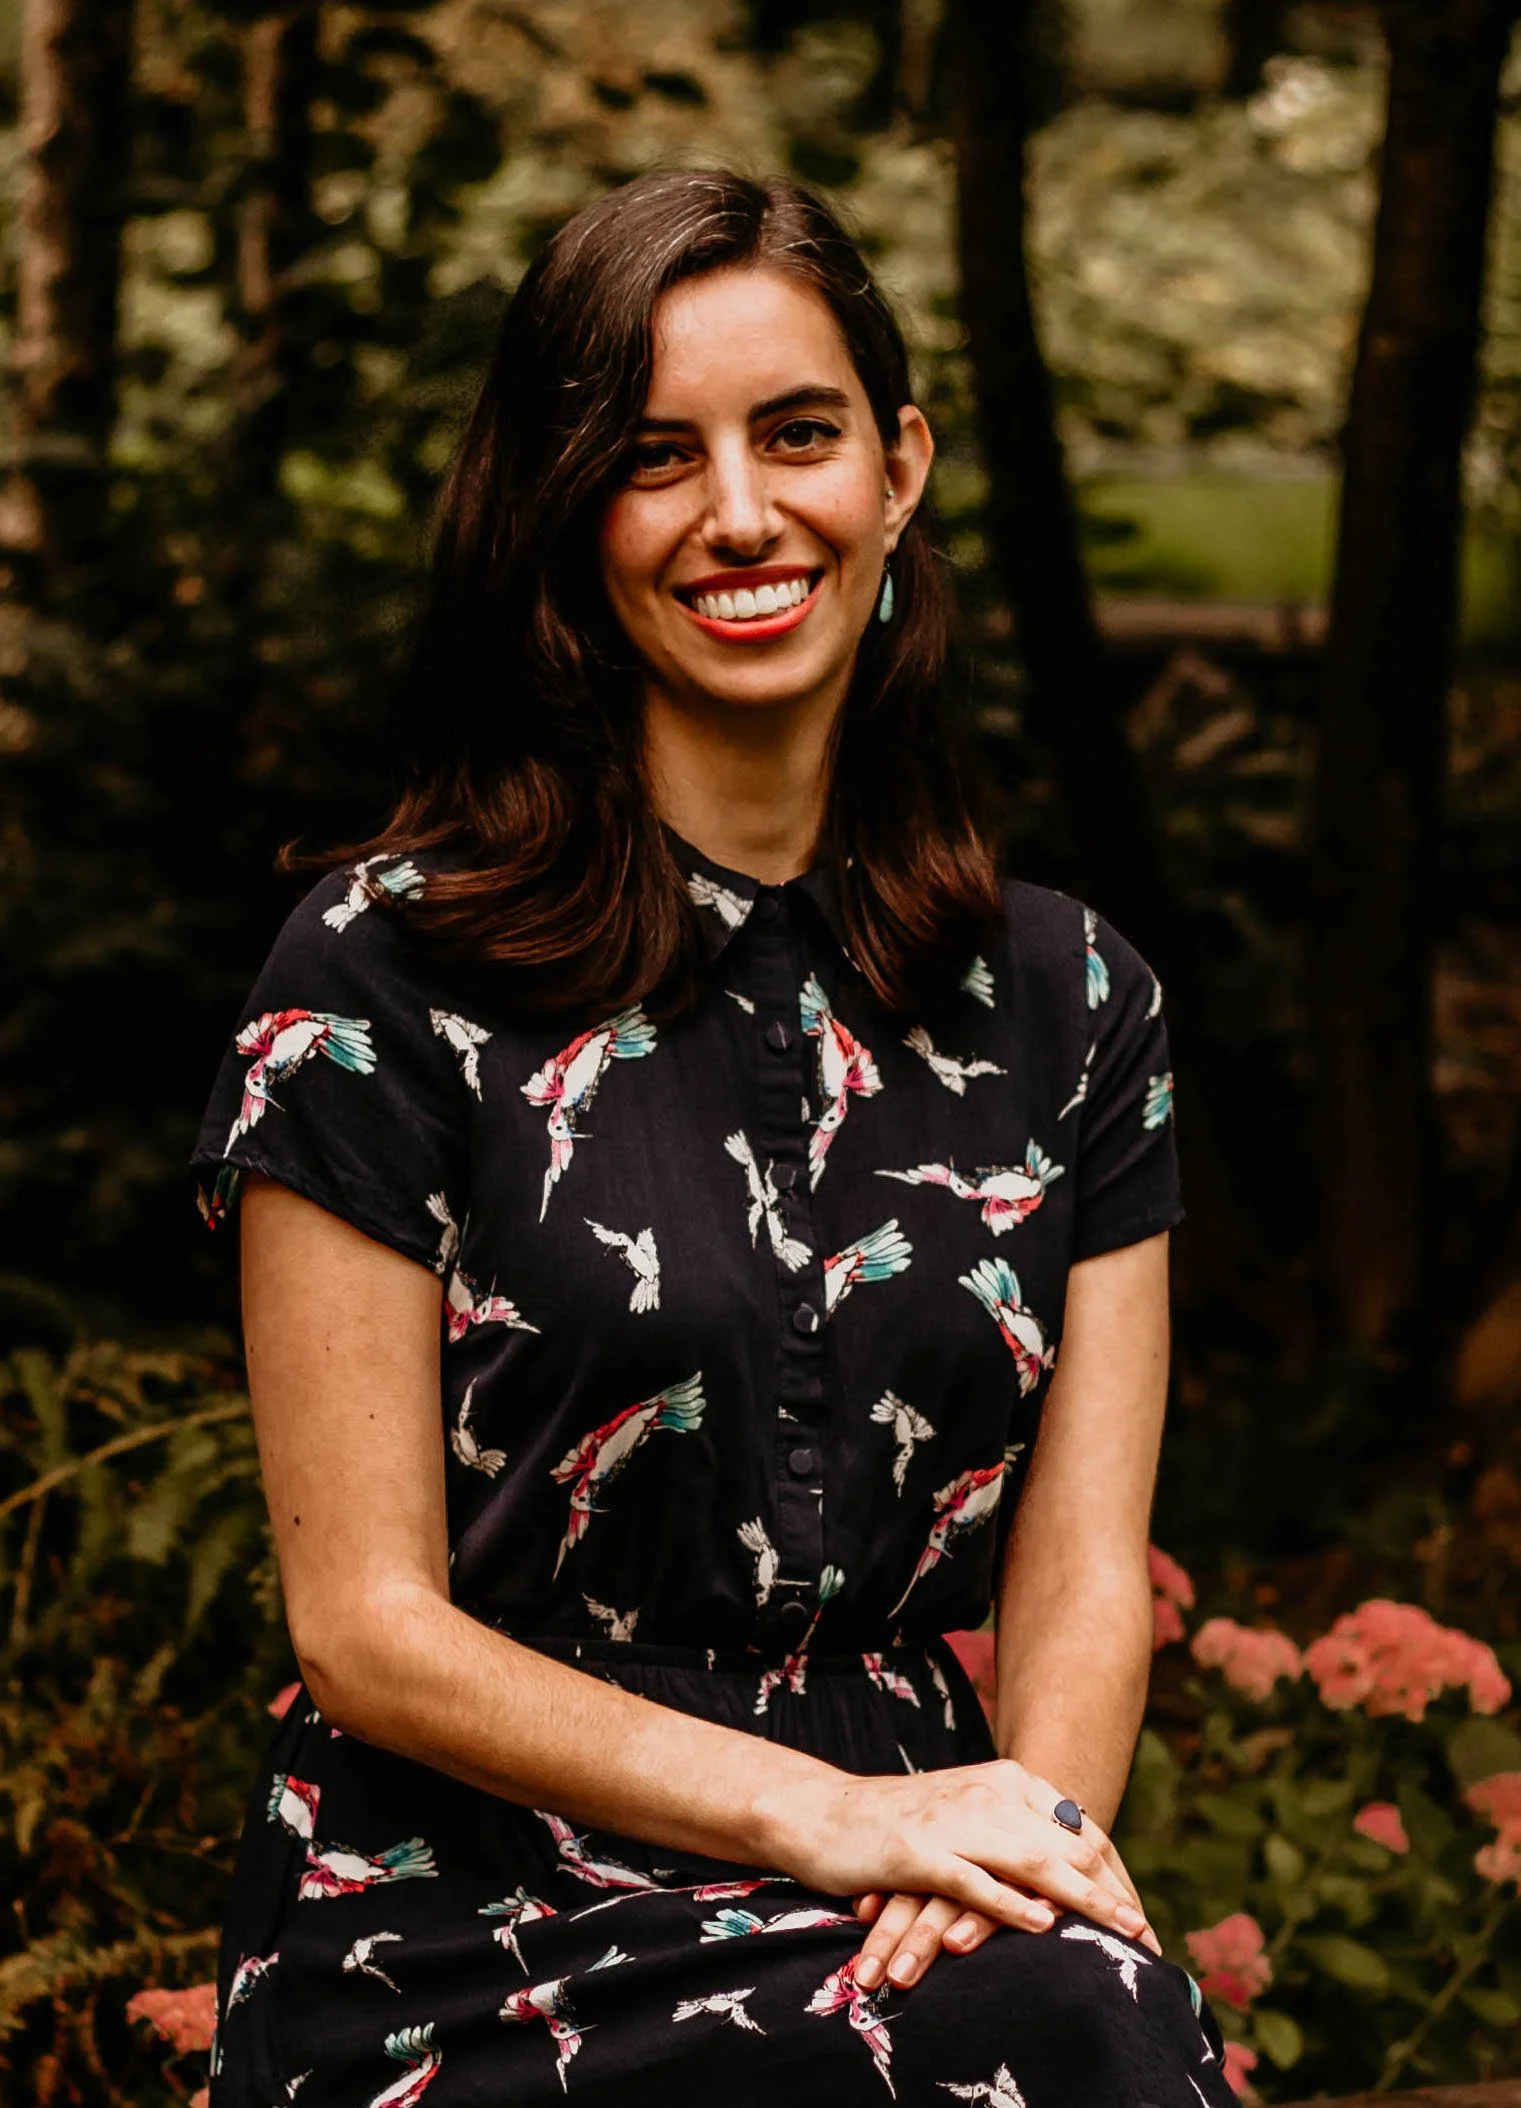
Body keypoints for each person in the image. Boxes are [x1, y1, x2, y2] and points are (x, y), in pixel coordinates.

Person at [189, 168, 1231, 2107]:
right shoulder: (372, 981)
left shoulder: (1079, 1004)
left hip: (921, 1893)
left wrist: (1025, 1842)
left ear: (901, 469)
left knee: (1074, 2015)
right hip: (465, 1919)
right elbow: (366, 1627)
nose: (740, 514)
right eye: (655, 454)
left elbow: (1080, 1574)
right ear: (568, 512)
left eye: (799, 433)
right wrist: (829, 1818)